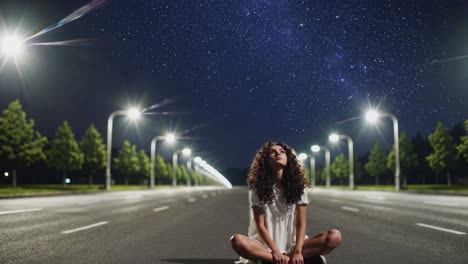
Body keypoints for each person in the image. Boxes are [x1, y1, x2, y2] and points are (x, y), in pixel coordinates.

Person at [230, 142, 342, 264]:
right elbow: (261, 226)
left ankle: (276, 260)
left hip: (293, 245)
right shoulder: (257, 188)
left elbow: (301, 223)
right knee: (237, 241)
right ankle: (284, 260)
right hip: (264, 245)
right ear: (265, 161)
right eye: (273, 152)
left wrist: (298, 251)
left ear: (288, 159)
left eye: (282, 152)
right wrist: (276, 252)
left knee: (334, 236)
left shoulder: (299, 186)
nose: (278, 153)